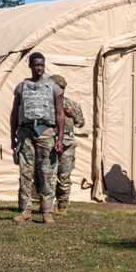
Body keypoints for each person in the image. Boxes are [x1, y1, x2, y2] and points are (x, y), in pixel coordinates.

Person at [10, 53, 65, 223]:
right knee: (25, 173)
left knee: (46, 172)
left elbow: (60, 113)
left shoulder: (53, 87)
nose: (39, 68)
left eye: (41, 65)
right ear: (30, 66)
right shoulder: (21, 87)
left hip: (46, 133)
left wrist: (60, 139)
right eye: (36, 65)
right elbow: (14, 113)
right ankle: (25, 210)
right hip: (26, 133)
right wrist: (12, 137)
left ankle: (46, 211)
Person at [52, 75, 84, 216]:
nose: (62, 90)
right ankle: (47, 205)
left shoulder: (71, 104)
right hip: (49, 142)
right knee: (47, 175)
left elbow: (81, 123)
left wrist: (73, 115)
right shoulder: (46, 104)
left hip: (67, 144)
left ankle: (63, 205)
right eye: (59, 87)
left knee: (64, 175)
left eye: (63, 87)